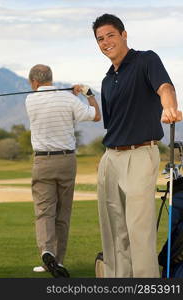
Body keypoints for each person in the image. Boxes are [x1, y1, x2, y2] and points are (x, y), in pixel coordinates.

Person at [92, 13, 182, 278]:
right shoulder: (107, 80)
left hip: (140, 154)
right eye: (100, 39)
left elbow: (165, 87)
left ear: (124, 35)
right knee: (113, 228)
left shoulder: (147, 59)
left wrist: (170, 107)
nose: (106, 42)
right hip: (110, 158)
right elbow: (114, 124)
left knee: (138, 227)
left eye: (110, 35)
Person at [26, 64, 101, 277]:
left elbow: (44, 97)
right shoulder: (68, 98)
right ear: (51, 78)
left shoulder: (29, 100)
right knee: (63, 213)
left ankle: (47, 252)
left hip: (42, 162)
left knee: (44, 212)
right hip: (67, 161)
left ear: (34, 82)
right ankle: (57, 261)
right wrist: (88, 94)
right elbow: (96, 116)